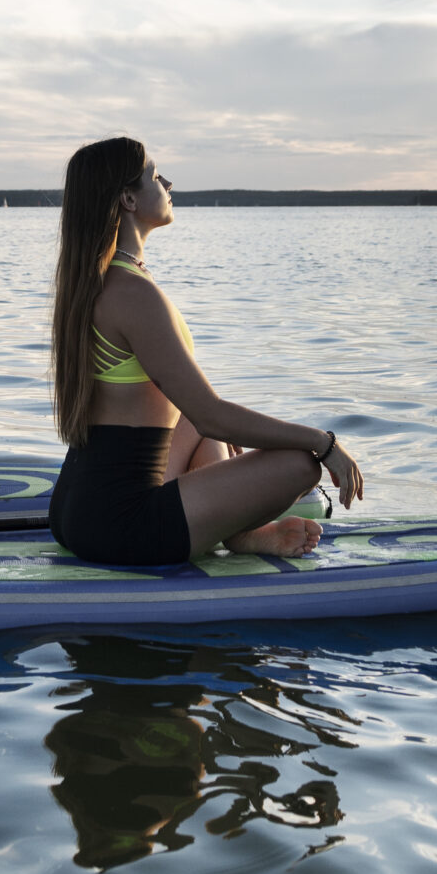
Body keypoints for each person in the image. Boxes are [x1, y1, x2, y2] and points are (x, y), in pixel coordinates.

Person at [47, 136, 363, 565]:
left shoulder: (103, 282)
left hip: (75, 511)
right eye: (156, 176)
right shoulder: (132, 294)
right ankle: (237, 530)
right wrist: (324, 443)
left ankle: (240, 531)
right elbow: (212, 413)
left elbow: (202, 418)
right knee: (299, 464)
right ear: (127, 199)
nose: (168, 183)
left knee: (201, 423)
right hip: (122, 528)